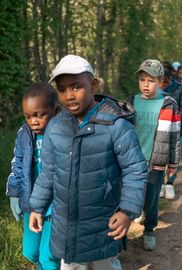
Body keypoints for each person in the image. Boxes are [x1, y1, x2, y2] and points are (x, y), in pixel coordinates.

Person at [28, 55, 148, 270]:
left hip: (103, 225)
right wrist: (37, 207)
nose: (69, 95)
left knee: (105, 265)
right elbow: (48, 172)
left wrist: (127, 211)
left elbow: (135, 170)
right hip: (67, 228)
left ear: (93, 85)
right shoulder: (56, 127)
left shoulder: (116, 127)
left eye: (76, 87)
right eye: (62, 89)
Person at [6, 83, 60, 270]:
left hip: (56, 205)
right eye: (28, 116)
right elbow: (18, 163)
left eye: (40, 114)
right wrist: (14, 192)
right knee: (31, 253)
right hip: (32, 201)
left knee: (49, 257)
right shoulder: (25, 134)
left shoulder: (64, 133)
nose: (33, 121)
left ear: (56, 110)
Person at [129, 59, 181, 250]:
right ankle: (127, 228)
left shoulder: (169, 105)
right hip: (132, 161)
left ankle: (149, 229)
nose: (145, 85)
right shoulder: (131, 102)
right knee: (131, 195)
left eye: (151, 81)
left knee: (151, 198)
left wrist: (173, 164)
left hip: (156, 163)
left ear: (160, 81)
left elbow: (175, 136)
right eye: (142, 80)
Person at [159, 61, 182, 200]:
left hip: (177, 130)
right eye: (161, 81)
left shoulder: (179, 89)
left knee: (173, 157)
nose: (163, 84)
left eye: (166, 81)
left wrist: (174, 120)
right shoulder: (154, 89)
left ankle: (170, 183)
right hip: (159, 131)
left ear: (171, 77)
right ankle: (159, 184)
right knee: (159, 157)